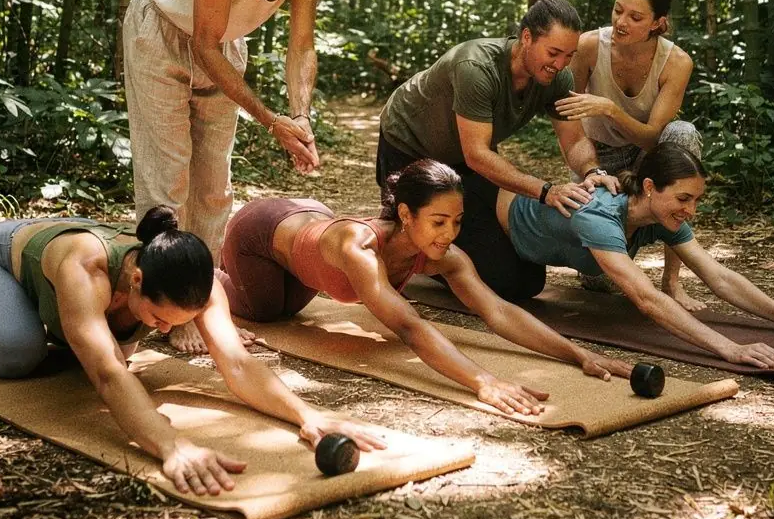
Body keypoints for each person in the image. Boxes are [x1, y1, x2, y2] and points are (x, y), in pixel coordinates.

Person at [0, 207, 384, 496]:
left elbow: (238, 365)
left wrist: (307, 415)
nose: (166, 330)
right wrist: (171, 445)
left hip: (76, 284)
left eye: (175, 321)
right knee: (17, 353)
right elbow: (109, 374)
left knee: (106, 345)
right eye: (159, 318)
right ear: (135, 280)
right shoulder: (85, 270)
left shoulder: (199, 287)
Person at [185, 160, 632, 417]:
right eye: (437, 222)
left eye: (456, 222)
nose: (448, 235)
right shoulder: (358, 248)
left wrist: (577, 354)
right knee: (266, 313)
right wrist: (483, 381)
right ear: (405, 215)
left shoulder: (444, 256)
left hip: (307, 224)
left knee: (289, 310)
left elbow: (496, 311)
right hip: (260, 233)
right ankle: (204, 272)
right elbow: (410, 327)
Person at [123, 0, 345, 266]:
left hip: (223, 43)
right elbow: (203, 46)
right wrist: (271, 121)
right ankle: (165, 296)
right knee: (168, 180)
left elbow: (301, 46)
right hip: (159, 33)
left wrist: (300, 115)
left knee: (213, 186)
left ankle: (201, 296)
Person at [376, 0, 617, 302]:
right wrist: (546, 191)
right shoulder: (476, 66)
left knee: (525, 281)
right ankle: (418, 254)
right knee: (407, 246)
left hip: (462, 162)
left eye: (569, 56)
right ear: (527, 37)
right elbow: (477, 155)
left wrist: (592, 170)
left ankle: (438, 256)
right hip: (409, 148)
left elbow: (574, 139)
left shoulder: (557, 77)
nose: (560, 65)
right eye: (554, 53)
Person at [494, 145, 774, 375]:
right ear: (649, 187)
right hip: (493, 221)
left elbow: (718, 276)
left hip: (525, 252)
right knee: (497, 284)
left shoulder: (660, 215)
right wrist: (730, 349)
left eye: (696, 200)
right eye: (683, 198)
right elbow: (646, 298)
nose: (691, 210)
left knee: (524, 285)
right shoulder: (599, 216)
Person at [555, 0, 703, 307]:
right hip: (595, 159)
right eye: (618, 10)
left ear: (658, 23)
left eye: (635, 17)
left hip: (645, 156)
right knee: (598, 280)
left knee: (683, 134)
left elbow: (653, 137)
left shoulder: (676, 62)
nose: (621, 22)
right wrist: (588, 169)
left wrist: (610, 109)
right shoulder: (590, 46)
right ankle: (612, 255)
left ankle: (671, 281)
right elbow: (567, 120)